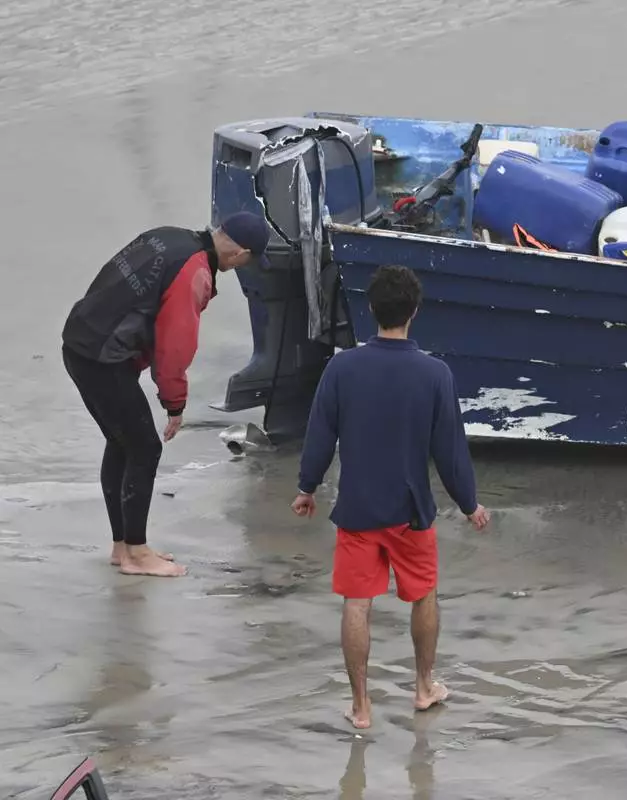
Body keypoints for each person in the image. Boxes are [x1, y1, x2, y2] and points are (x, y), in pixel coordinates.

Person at [291, 265, 490, 729]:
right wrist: (469, 503)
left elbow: (320, 434)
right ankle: (423, 688)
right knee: (424, 596)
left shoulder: (342, 368)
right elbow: (449, 450)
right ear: (414, 312)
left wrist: (306, 487)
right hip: (411, 513)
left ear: (371, 309)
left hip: (358, 511)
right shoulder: (434, 374)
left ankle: (361, 707)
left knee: (357, 604)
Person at [61, 212, 271, 578]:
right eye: (249, 261)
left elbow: (109, 280)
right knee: (144, 449)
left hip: (81, 341)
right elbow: (175, 346)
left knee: (123, 442)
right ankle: (137, 554)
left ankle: (123, 546)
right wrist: (174, 403)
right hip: (103, 359)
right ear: (240, 254)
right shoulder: (195, 272)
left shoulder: (168, 237)